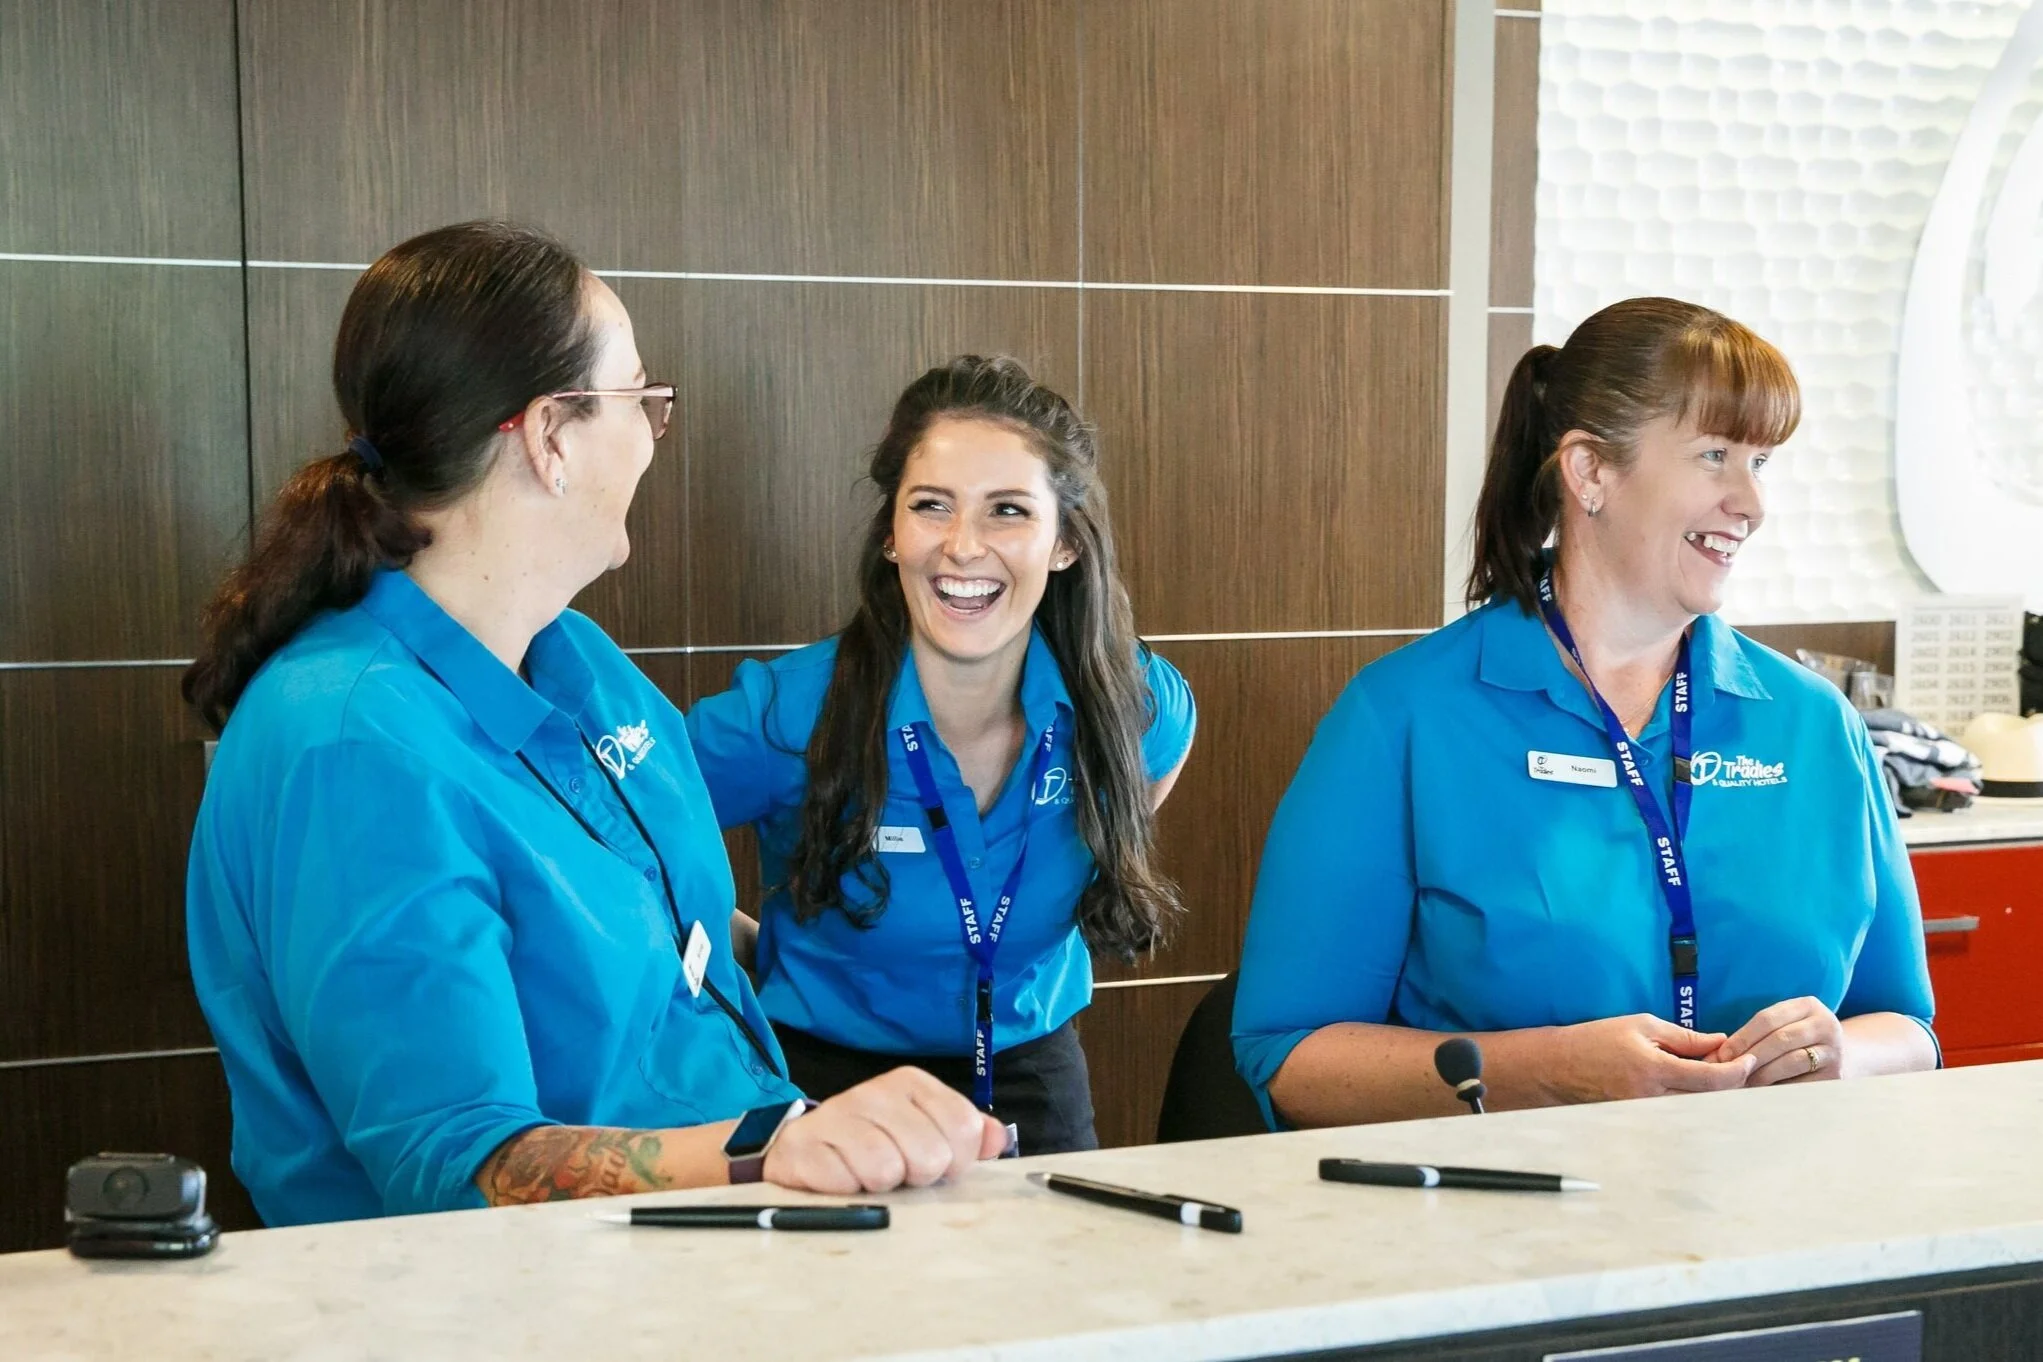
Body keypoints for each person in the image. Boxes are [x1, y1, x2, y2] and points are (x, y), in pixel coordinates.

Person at [183, 222, 1006, 1227]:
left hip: (720, 1236)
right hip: (513, 1287)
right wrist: (770, 1148)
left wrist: (877, 972)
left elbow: (655, 927)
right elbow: (462, 1162)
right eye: (641, 400)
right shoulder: (352, 746)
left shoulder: (579, 660)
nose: (655, 434)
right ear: (549, 437)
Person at [1232, 297, 1938, 1130]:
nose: (1750, 502)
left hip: (1774, 1193)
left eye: (1760, 462)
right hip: (1511, 1197)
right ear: (1590, 471)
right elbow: (1289, 1057)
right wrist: (1548, 1072)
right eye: (1714, 456)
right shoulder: (1404, 718)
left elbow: (1910, 1027)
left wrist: (1843, 1055)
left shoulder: (1814, 725)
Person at [686, 356, 1195, 1154]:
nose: (962, 547)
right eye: (931, 506)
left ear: (1064, 542)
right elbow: (621, 841)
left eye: (1006, 511)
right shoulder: (787, 713)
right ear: (892, 533)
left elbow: (1161, 752)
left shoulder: (1130, 701)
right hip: (824, 1089)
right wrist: (740, 947)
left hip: (1029, 1073)